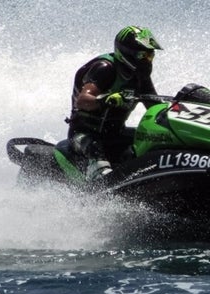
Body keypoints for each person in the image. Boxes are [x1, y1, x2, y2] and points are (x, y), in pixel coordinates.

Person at [66, 25, 163, 181]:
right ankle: (100, 184)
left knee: (153, 138)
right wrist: (106, 100)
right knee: (93, 147)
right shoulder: (105, 68)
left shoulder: (140, 77)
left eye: (150, 56)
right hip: (84, 134)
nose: (147, 61)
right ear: (128, 53)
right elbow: (83, 100)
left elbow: (155, 106)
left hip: (115, 133)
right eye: (142, 55)